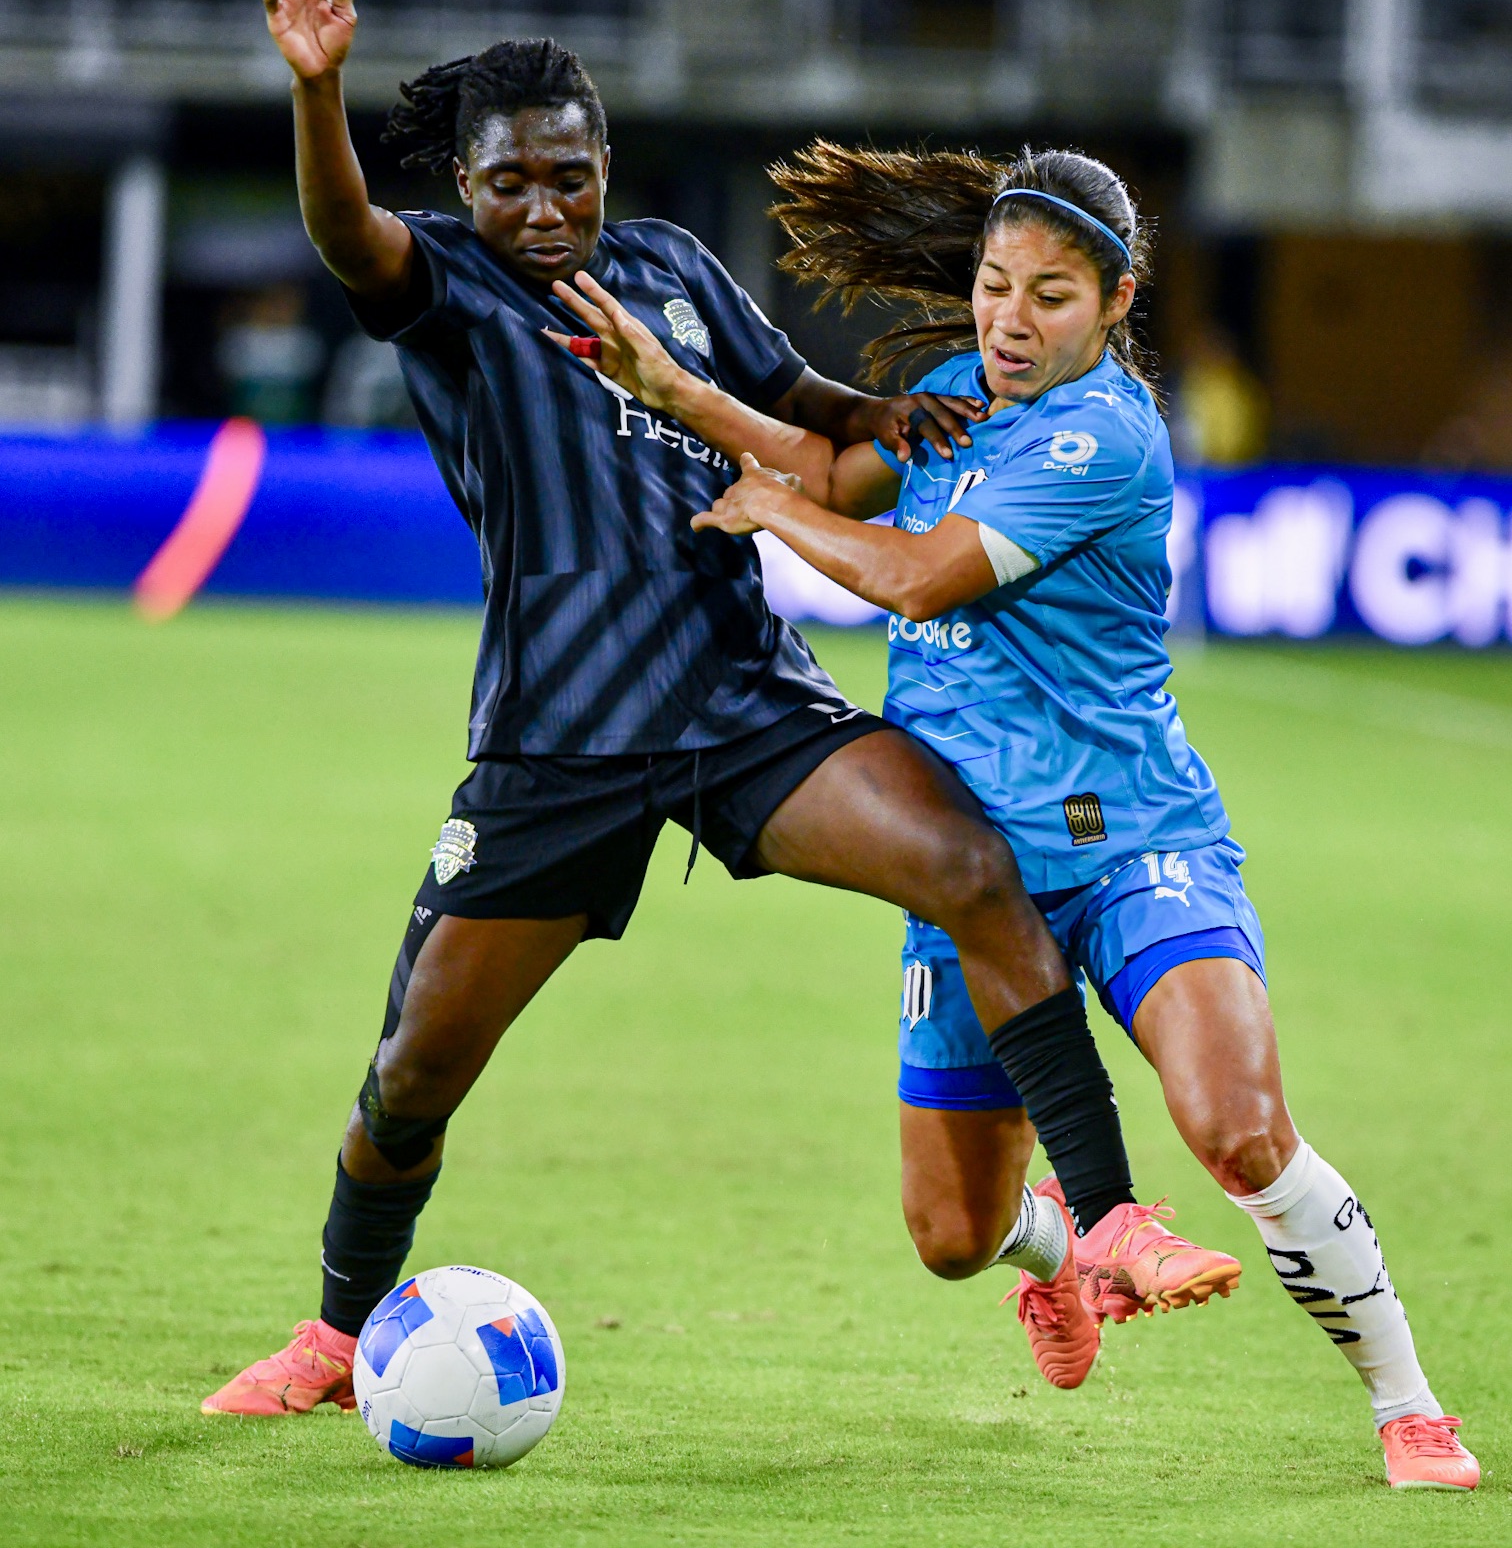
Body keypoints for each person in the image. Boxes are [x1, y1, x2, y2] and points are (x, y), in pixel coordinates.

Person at [201, 0, 1214, 1418]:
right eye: (508, 183)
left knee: (969, 866)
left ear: (604, 163)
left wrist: (888, 412)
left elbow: (798, 409)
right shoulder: (446, 284)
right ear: (469, 187)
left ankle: (1108, 1217)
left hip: (744, 703)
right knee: (415, 1069)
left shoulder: (670, 266)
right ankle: (339, 1333)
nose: (541, 209)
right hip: (558, 739)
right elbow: (347, 231)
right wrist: (319, 90)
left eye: (567, 175)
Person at [543, 140, 1480, 1491]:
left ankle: (1410, 1406)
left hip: (1132, 846)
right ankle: (1055, 1248)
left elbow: (917, 575)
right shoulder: (946, 396)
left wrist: (770, 516)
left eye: (1049, 296)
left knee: (1237, 1127)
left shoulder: (1108, 434)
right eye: (993, 288)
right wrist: (678, 390)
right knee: (946, 1231)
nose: (1008, 322)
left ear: (1116, 303)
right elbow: (830, 463)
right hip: (977, 880)